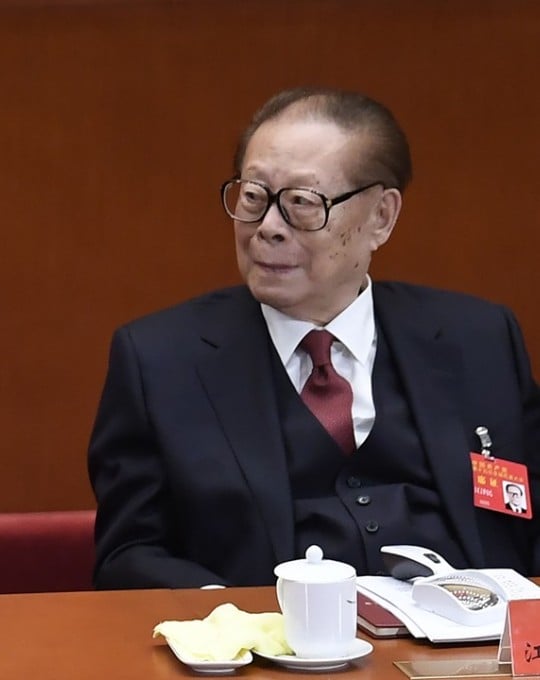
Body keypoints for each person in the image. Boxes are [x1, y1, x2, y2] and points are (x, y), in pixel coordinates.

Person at [88, 87, 540, 590]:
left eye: (302, 204)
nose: (268, 228)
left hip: (472, 651)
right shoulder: (160, 361)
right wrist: (229, 620)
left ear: (381, 218)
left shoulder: (478, 339)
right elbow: (129, 555)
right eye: (254, 198)